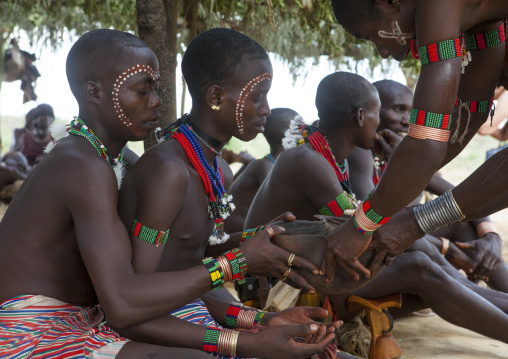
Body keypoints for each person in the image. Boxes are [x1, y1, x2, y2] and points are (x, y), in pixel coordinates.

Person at [0, 29, 333, 359]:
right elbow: (125, 303)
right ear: (94, 92)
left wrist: (259, 318)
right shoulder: (83, 166)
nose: (157, 101)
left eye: (156, 89)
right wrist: (239, 267)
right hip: (31, 332)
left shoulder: (115, 160)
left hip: (88, 320)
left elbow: (168, 274)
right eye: (143, 90)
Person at [245, 71, 508, 349]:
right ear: (360, 117)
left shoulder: (330, 158)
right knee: (418, 263)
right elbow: (365, 227)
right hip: (282, 285)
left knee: (420, 254)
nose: (380, 122)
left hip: (312, 269)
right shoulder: (306, 161)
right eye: (378, 113)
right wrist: (401, 170)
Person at [324, 1, 508, 281]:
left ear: (388, 2)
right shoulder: (486, 27)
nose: (384, 53)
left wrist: (368, 224)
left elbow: (427, 147)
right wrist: (404, 177)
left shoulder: (439, 5)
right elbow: (469, 115)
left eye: (374, 35)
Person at [347, 79, 508, 292]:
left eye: (411, 112)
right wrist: (446, 247)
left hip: (398, 244)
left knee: (465, 225)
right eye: (398, 110)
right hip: (371, 256)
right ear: (370, 112)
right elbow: (373, 223)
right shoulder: (360, 152)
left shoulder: (393, 151)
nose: (407, 121)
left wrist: (491, 235)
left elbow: (455, 193)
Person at [225, 107, 299, 234]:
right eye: (300, 126)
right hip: (232, 238)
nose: (307, 131)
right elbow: (284, 204)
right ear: (287, 133)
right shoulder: (263, 166)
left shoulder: (270, 164)